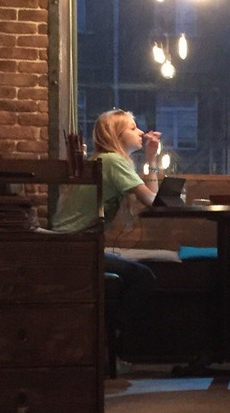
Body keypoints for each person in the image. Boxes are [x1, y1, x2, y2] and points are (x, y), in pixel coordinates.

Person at [53, 108, 162, 363]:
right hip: (79, 248)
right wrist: (152, 161)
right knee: (143, 277)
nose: (140, 132)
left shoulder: (104, 160)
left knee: (137, 275)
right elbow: (153, 202)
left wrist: (151, 159)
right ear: (116, 135)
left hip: (68, 245)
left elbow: (154, 200)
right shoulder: (113, 161)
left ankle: (108, 344)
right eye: (133, 128)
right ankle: (109, 344)